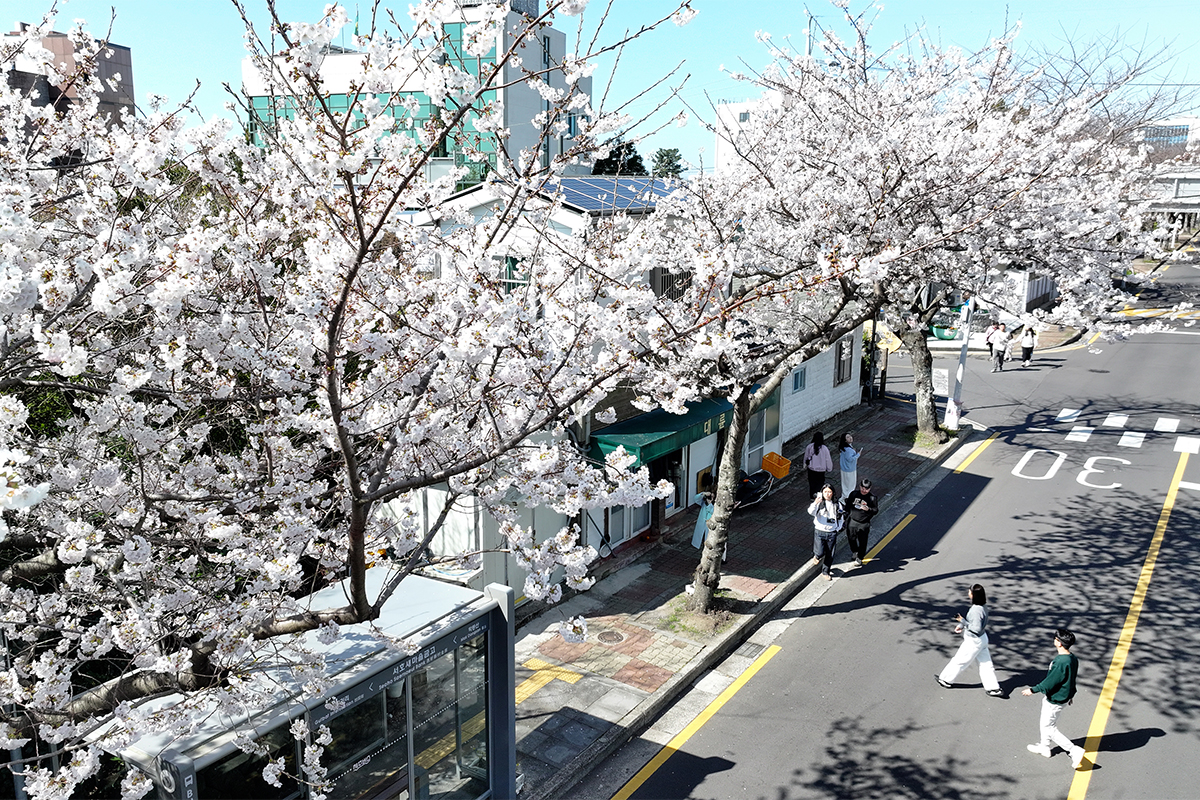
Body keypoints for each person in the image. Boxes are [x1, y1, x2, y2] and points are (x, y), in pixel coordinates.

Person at [1022, 628, 1086, 769]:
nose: (1054, 640)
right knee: (1046, 723)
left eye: (1056, 638)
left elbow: (1051, 681)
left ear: (1059, 643)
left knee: (1049, 727)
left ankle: (1074, 750)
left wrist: (1033, 690)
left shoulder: (1061, 662)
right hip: (1063, 697)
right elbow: (1070, 679)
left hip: (1055, 699)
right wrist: (1071, 694)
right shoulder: (1072, 658)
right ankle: (1044, 747)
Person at [936, 583, 1004, 697]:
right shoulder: (983, 606)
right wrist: (962, 626)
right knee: (986, 665)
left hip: (973, 641)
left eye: (969, 592)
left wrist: (962, 621)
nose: (968, 593)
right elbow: (975, 624)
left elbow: (975, 628)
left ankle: (946, 680)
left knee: (960, 660)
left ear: (973, 595)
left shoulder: (976, 610)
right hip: (982, 639)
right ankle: (993, 688)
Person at [806, 483, 843, 581]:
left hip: (831, 532)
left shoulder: (836, 504)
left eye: (829, 492)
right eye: (825, 492)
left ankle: (825, 571)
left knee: (830, 554)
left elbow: (841, 517)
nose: (827, 494)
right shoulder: (819, 503)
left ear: (833, 493)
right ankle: (817, 556)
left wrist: (837, 528)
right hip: (820, 531)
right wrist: (815, 503)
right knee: (820, 551)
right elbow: (810, 512)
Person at [842, 478, 878, 566]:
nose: (864, 490)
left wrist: (868, 509)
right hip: (852, 521)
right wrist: (844, 516)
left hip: (864, 523)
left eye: (866, 489)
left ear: (870, 488)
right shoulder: (854, 494)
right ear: (860, 486)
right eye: (862, 488)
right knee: (851, 538)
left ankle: (860, 557)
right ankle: (854, 551)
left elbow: (875, 510)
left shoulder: (872, 498)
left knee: (862, 541)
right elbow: (848, 506)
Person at [803, 431, 833, 499]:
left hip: (811, 469)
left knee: (812, 483)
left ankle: (812, 496)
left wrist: (804, 465)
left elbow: (806, 457)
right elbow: (828, 459)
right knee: (820, 483)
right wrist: (829, 468)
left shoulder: (809, 447)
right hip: (821, 470)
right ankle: (819, 496)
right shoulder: (824, 448)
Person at [691, 475, 715, 550]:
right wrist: (703, 494)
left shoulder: (717, 504)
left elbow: (712, 511)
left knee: (710, 541)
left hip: (712, 524)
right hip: (703, 523)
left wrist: (709, 504)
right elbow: (695, 499)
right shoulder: (704, 502)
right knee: (701, 536)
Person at [837, 432, 861, 499]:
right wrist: (858, 455)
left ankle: (845, 496)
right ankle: (849, 497)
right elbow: (850, 459)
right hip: (850, 469)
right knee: (851, 485)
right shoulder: (848, 450)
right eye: (847, 437)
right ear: (845, 440)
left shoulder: (844, 448)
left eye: (850, 436)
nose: (850, 437)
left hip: (844, 468)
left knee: (845, 484)